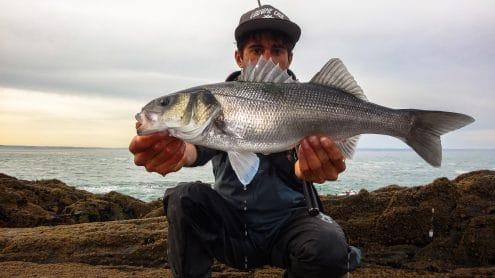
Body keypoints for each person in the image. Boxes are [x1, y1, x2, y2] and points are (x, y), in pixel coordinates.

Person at [129, 4, 361, 278]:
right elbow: (194, 149)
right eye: (256, 50)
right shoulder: (217, 105)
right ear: (239, 57)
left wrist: (312, 166)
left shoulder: (311, 100)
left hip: (286, 227)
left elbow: (304, 164)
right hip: (231, 227)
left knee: (329, 243)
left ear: (290, 58)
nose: (267, 59)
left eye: (277, 50)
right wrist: (179, 153)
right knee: (183, 197)